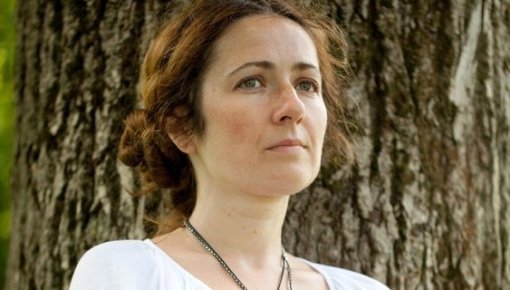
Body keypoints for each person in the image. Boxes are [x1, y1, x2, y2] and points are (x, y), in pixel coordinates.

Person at [70, 0, 390, 289]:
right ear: (181, 126)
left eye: (307, 84)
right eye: (251, 82)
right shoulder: (127, 274)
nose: (294, 107)